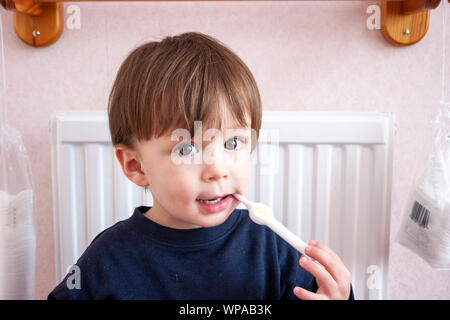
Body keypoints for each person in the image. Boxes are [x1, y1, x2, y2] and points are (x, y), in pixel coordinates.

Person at [48, 32, 353, 300]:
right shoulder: (107, 260)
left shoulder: (272, 251)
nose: (217, 170)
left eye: (233, 144)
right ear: (135, 166)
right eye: (188, 148)